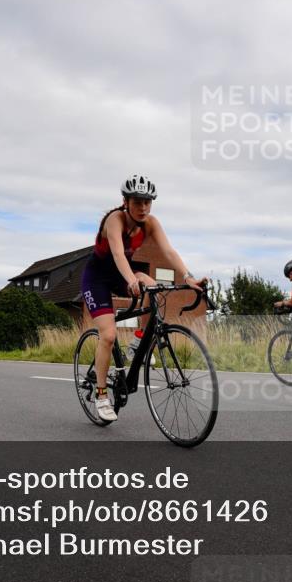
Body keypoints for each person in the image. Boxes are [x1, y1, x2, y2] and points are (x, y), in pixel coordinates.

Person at [81, 174, 207, 422]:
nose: (143, 208)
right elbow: (118, 254)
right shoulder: (114, 220)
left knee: (155, 288)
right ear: (125, 201)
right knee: (108, 335)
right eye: (137, 202)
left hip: (123, 273)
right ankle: (102, 394)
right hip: (97, 277)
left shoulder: (150, 223)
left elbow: (168, 251)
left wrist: (188, 277)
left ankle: (139, 340)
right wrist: (130, 280)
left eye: (147, 202)